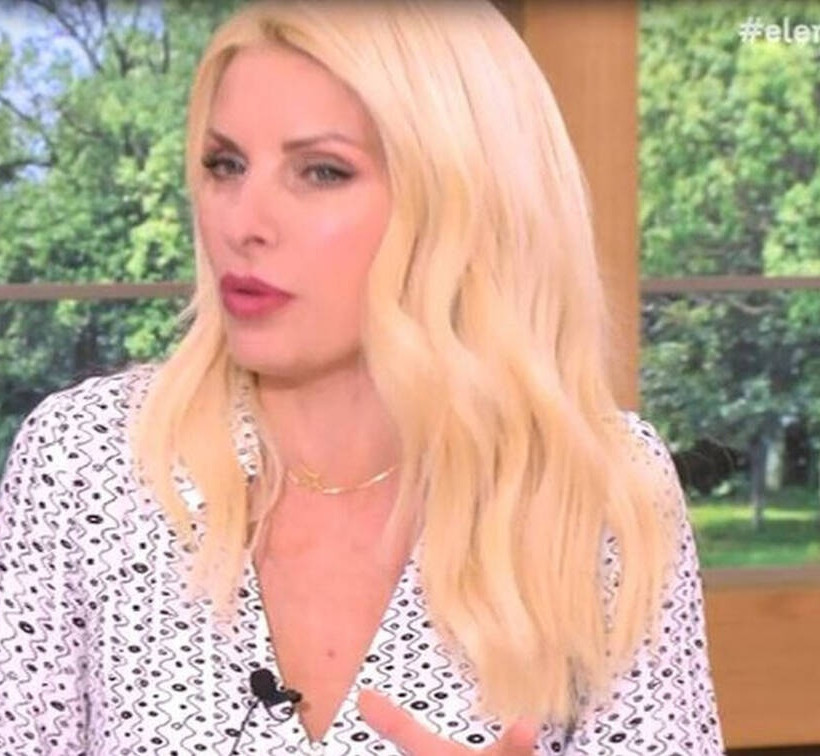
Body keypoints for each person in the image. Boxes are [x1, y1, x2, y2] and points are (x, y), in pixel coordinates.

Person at [0, 1, 724, 753]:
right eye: (226, 165)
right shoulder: (88, 461)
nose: (243, 223)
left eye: (321, 171)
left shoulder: (599, 488)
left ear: (464, 200)